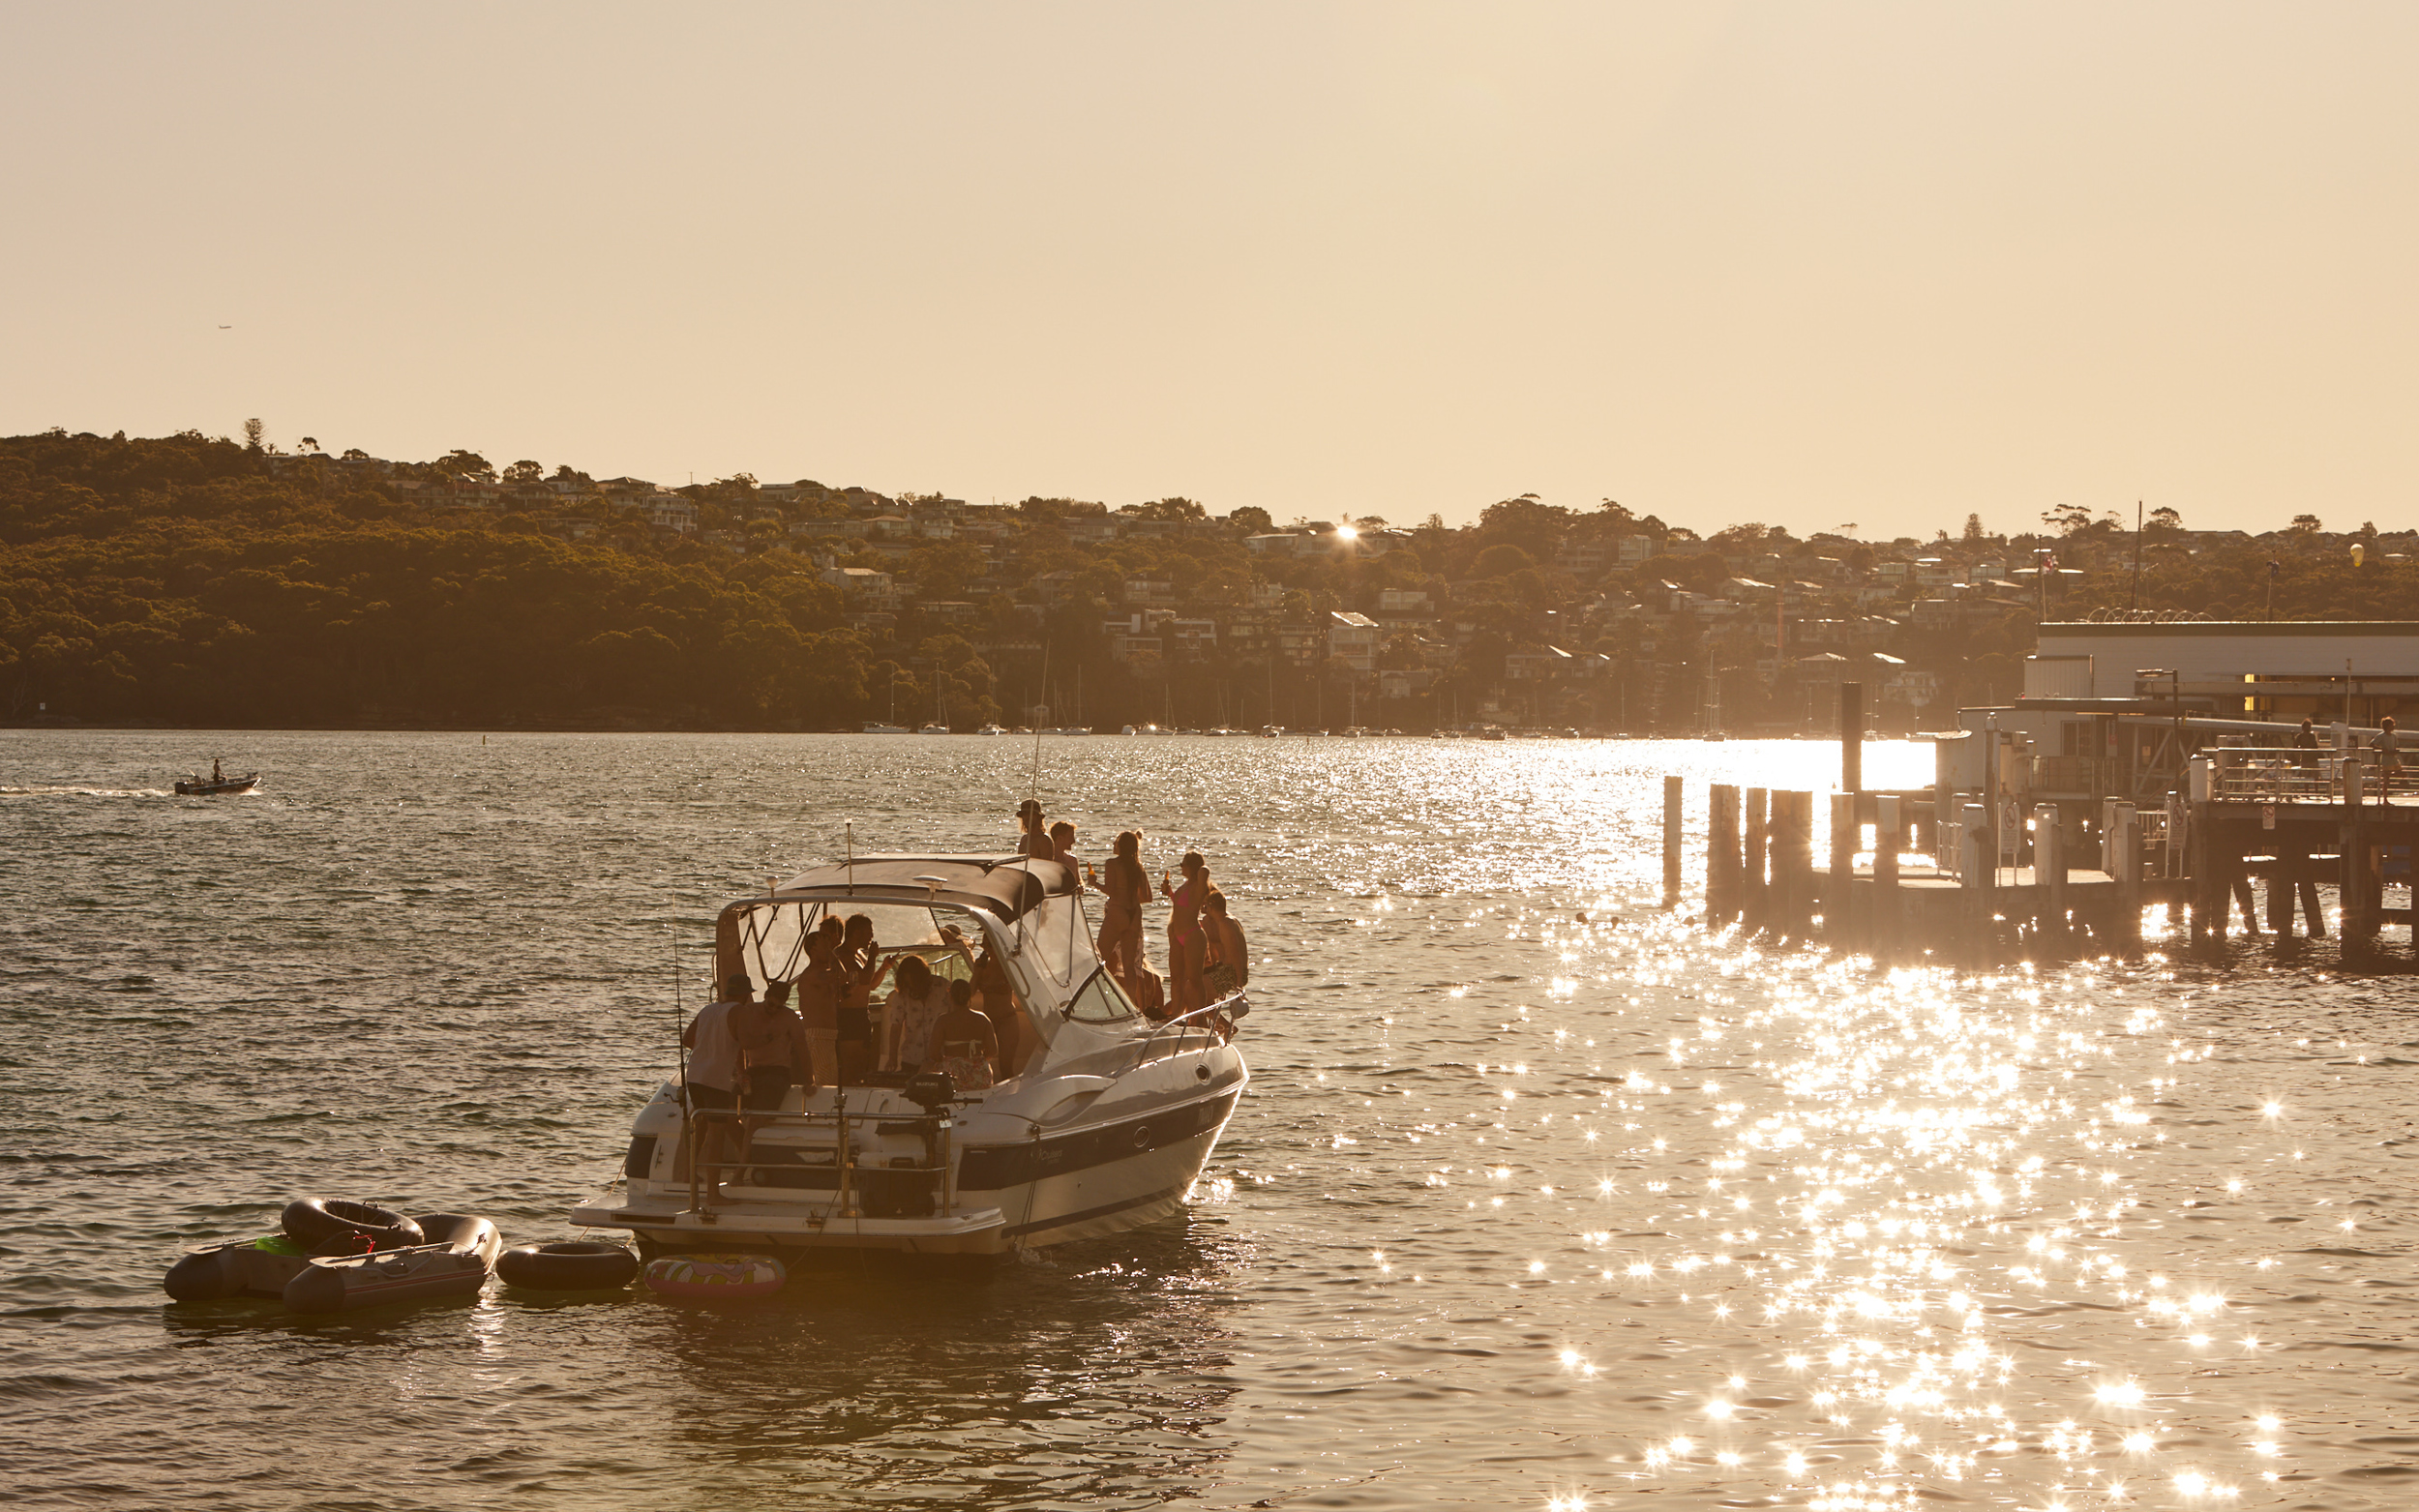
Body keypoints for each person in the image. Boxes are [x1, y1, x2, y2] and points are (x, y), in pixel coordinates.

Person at [679, 972, 753, 1178]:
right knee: (717, 1134)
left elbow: (687, 1039)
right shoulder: (739, 1011)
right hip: (715, 1080)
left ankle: (688, 1174)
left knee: (701, 1127)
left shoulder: (707, 1009)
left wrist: (709, 1048)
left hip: (694, 1076)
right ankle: (714, 1192)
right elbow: (744, 1043)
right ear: (746, 995)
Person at [791, 927, 847, 1089]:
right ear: (814, 949)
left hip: (828, 1036)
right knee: (822, 1085)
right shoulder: (812, 974)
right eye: (826, 947)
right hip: (817, 1036)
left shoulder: (823, 974)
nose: (831, 951)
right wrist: (830, 952)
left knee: (831, 1084)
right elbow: (841, 976)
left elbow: (841, 979)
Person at [878, 955, 951, 1075]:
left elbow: (957, 1015)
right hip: (912, 1058)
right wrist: (892, 1058)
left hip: (941, 1058)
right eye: (908, 983)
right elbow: (896, 1028)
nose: (912, 987)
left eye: (915, 983)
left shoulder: (943, 987)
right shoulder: (902, 995)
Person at [1160, 850, 1210, 1018]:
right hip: (1178, 936)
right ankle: (1176, 1015)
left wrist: (1199, 866)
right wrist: (1170, 894)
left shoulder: (1198, 886)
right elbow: (1182, 906)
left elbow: (1204, 871)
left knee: (1194, 980)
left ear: (1191, 867)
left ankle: (1199, 1016)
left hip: (1193, 935)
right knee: (1175, 979)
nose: (1181, 867)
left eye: (1183, 864)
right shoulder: (1185, 886)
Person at [927, 978, 999, 1091]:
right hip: (979, 1074)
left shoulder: (943, 1020)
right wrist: (977, 1061)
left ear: (950, 996)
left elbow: (933, 1053)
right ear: (969, 997)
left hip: (952, 1075)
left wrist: (946, 1061)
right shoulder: (983, 1019)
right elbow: (993, 1050)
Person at [834, 913, 881, 1082]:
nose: (871, 936)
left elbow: (870, 984)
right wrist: (873, 956)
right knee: (851, 1063)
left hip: (862, 1014)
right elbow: (864, 978)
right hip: (849, 1016)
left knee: (862, 1062)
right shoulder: (843, 955)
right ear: (856, 933)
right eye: (868, 932)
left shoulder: (859, 954)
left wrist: (884, 967)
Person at [1097, 830, 1150, 978]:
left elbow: (1110, 890)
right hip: (1134, 914)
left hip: (1117, 911)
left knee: (1099, 957)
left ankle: (1101, 995)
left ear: (1121, 846)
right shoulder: (1138, 867)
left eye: (1117, 842)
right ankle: (1131, 999)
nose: (1114, 844)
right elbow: (1146, 896)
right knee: (1129, 967)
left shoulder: (1112, 864)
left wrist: (1095, 883)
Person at [1203, 889, 1248, 1002]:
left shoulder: (1225, 924)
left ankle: (1215, 1021)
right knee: (1193, 984)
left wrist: (1239, 984)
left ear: (1211, 908)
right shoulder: (1229, 920)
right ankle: (1199, 1019)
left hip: (1232, 973)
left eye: (1206, 907)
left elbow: (1236, 954)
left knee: (1194, 989)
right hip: (1225, 969)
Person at [2377, 716, 2402, 801]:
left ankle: (2389, 775)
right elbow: (2372, 744)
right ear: (2387, 726)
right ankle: (2385, 799)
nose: (2393, 727)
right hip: (2386, 759)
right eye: (2392, 725)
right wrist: (2382, 749)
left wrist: (2395, 751)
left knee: (2401, 773)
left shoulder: (2394, 736)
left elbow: (2395, 746)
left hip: (2393, 758)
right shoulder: (2382, 736)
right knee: (2386, 780)